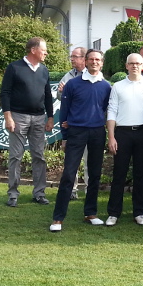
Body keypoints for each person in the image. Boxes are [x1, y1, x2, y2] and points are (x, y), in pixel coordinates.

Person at [49, 49, 111, 231]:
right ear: (85, 61)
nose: (94, 62)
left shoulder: (106, 86)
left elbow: (107, 110)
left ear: (102, 63)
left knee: (95, 174)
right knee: (69, 174)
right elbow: (64, 112)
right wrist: (65, 137)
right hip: (76, 132)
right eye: (91, 59)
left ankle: (90, 213)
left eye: (97, 59)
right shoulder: (73, 84)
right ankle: (58, 218)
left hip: (97, 133)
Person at [0, 37, 54, 207]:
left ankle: (39, 193)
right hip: (18, 117)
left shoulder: (44, 70)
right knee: (15, 156)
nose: (46, 53)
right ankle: (13, 194)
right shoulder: (14, 67)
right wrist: (8, 117)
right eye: (43, 49)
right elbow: (5, 93)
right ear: (33, 50)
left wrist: (50, 117)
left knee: (39, 156)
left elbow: (47, 96)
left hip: (39, 118)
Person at [106, 53, 143, 226]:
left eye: (138, 63)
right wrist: (111, 136)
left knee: (140, 175)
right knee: (119, 174)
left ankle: (139, 212)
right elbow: (112, 110)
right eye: (131, 63)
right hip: (122, 134)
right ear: (126, 65)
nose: (135, 66)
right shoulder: (118, 87)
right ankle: (114, 213)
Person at [57, 46, 88, 200]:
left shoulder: (92, 75)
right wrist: (61, 92)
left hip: (88, 126)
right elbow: (58, 95)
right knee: (72, 162)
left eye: (75, 56)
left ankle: (90, 191)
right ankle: (72, 191)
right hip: (71, 126)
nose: (72, 59)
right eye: (72, 56)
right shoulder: (68, 76)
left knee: (89, 161)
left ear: (83, 58)